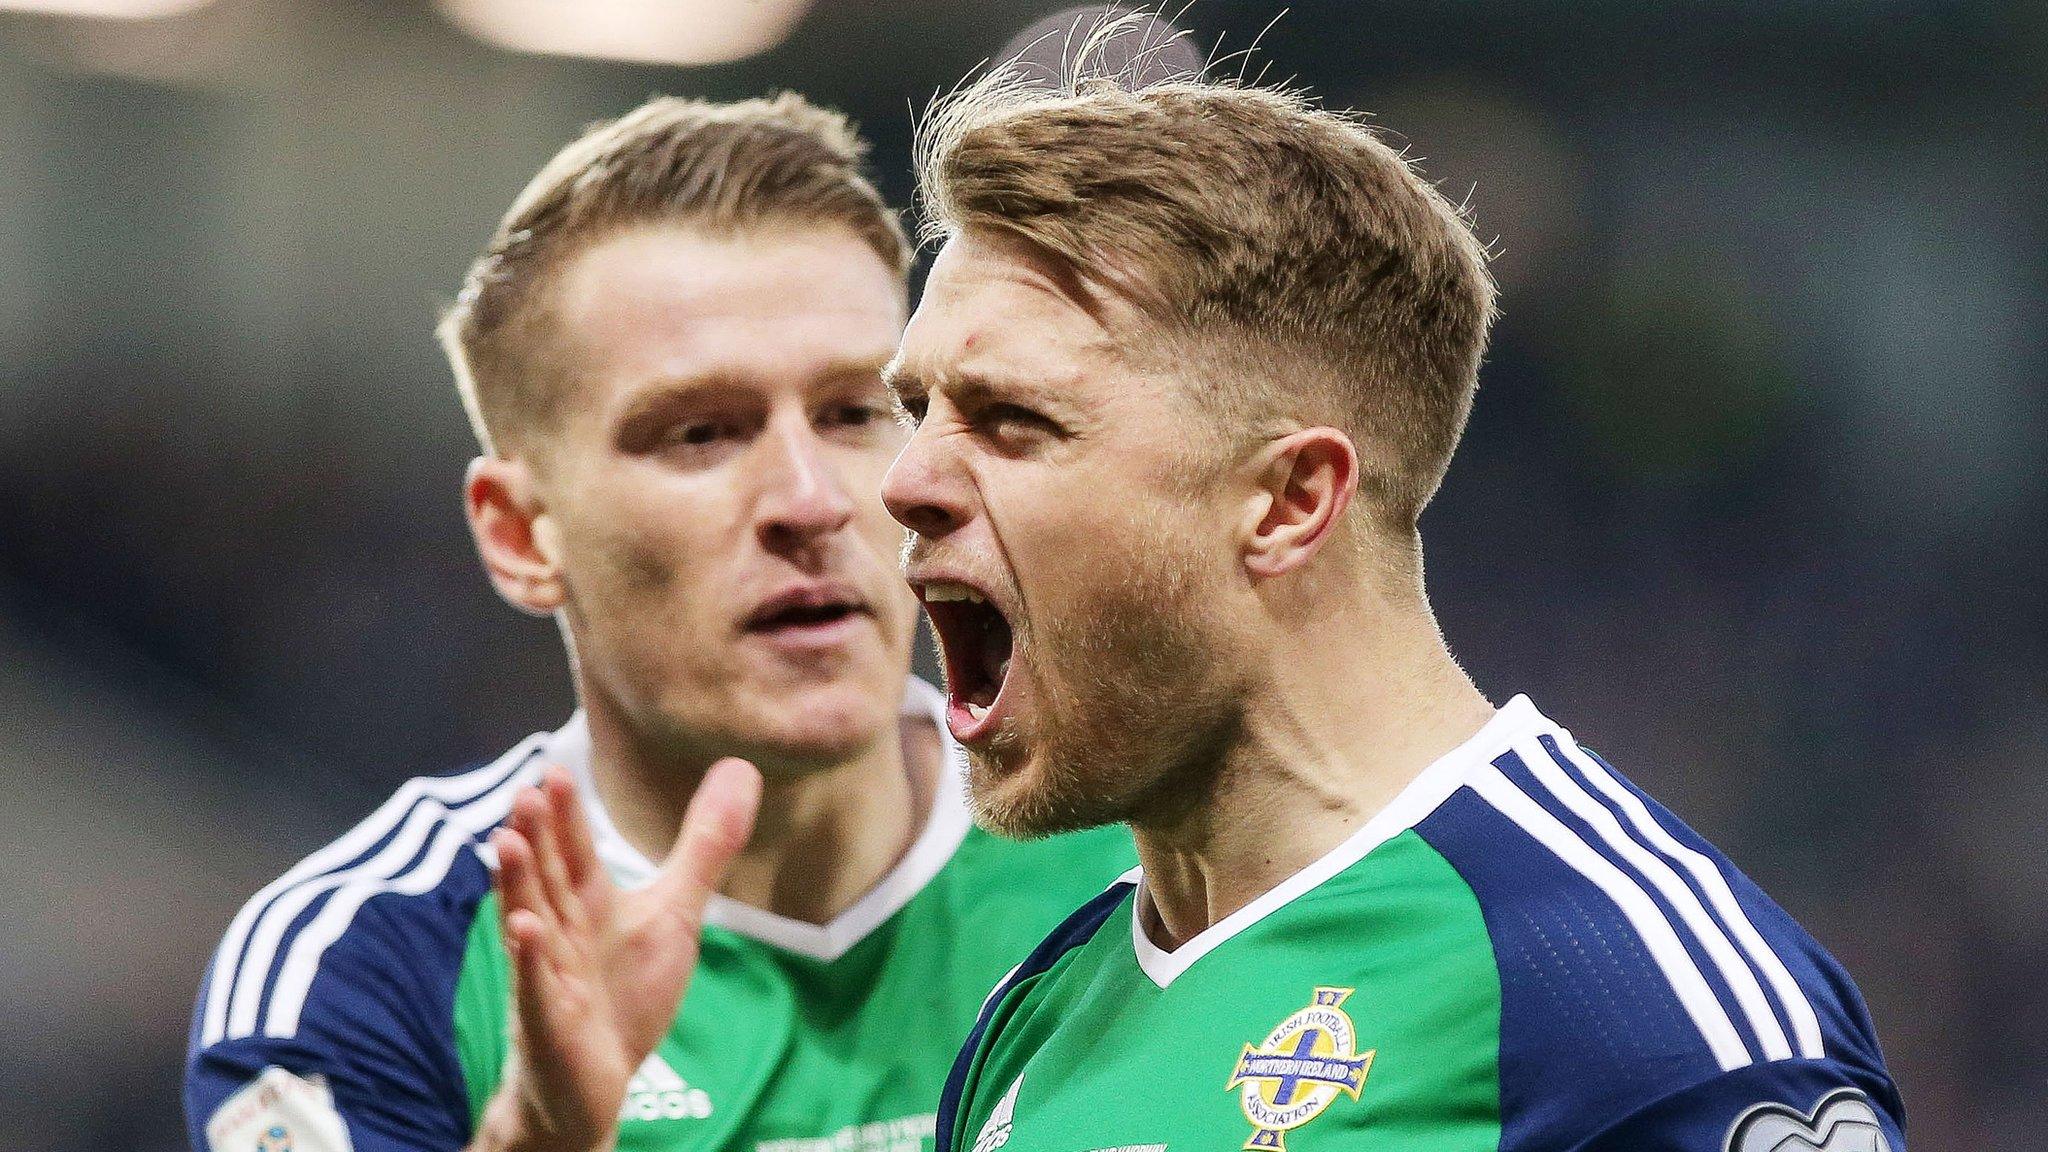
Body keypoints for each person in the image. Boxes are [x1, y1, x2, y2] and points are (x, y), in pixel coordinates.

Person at [878, 44, 1907, 1152]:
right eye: (915, 406)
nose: (904, 481)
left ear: (1285, 501)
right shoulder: (1033, 1018)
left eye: (1010, 420)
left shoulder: (1629, 1012)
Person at [183, 93, 1131, 1152]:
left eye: (857, 411)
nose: (809, 499)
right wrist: (541, 1136)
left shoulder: (1144, 850)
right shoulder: (368, 962)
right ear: (519, 535)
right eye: (699, 433)